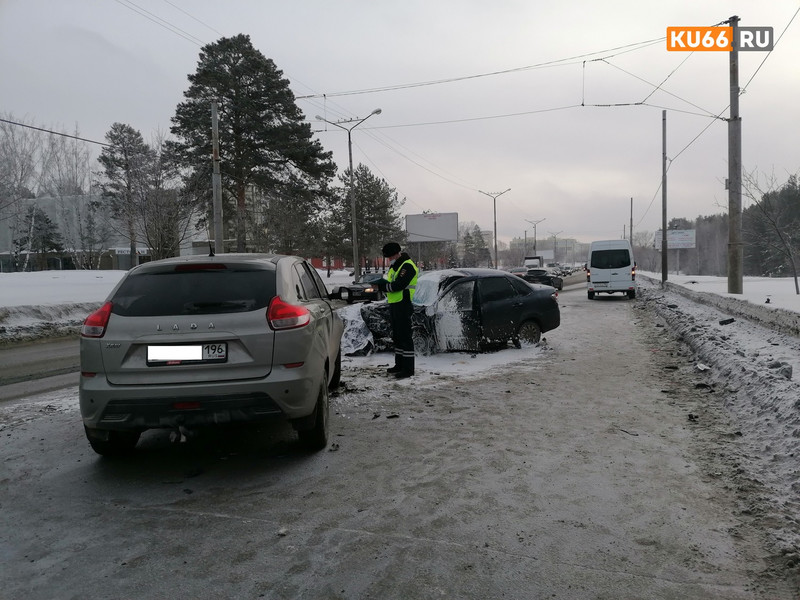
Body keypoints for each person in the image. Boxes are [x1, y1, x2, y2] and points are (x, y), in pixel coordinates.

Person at [375, 242, 419, 379]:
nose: (389, 259)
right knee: (397, 336)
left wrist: (381, 287)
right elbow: (391, 283)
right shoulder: (395, 266)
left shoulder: (407, 266)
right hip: (394, 303)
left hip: (403, 304)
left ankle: (408, 369)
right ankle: (399, 365)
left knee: (405, 337)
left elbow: (399, 285)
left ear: (397, 253)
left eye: (390, 256)